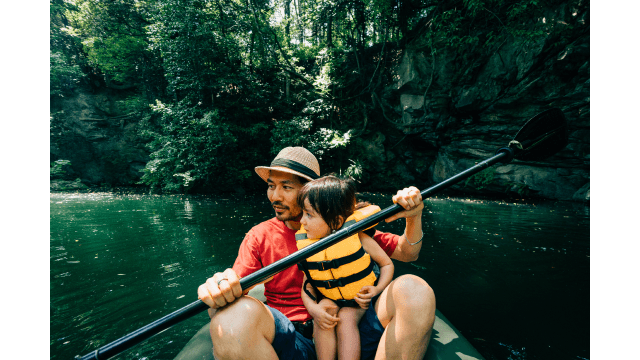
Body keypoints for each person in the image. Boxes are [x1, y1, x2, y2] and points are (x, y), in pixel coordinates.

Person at [198, 146, 435, 360]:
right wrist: (218, 289)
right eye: (271, 186)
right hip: (291, 337)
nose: (275, 197)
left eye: (287, 187)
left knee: (415, 290)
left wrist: (414, 216)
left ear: (310, 191)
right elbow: (225, 302)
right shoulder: (259, 236)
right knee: (230, 318)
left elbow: (408, 253)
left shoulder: (344, 226)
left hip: (352, 326)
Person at [296, 176, 394, 360]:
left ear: (335, 221)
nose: (302, 221)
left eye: (309, 214)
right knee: (323, 312)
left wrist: (376, 289)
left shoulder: (359, 238)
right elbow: (307, 285)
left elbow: (387, 264)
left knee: (346, 320)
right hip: (330, 297)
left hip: (357, 300)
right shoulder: (309, 248)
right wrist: (312, 308)